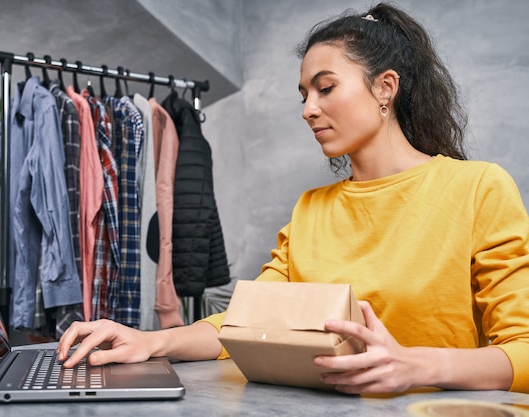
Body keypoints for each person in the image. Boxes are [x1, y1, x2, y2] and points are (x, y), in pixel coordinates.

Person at [57, 3, 529, 394]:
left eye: (325, 88)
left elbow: (523, 350)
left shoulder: (478, 189)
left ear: (385, 87)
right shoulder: (311, 208)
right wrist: (150, 342)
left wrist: (417, 366)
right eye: (304, 94)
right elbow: (244, 321)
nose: (308, 109)